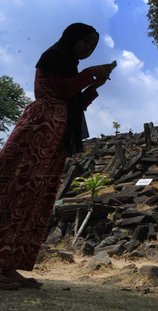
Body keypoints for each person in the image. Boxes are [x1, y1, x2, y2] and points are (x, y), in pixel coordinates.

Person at [0, 23, 114, 290]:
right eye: (86, 43)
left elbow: (75, 104)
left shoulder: (71, 68)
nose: (88, 49)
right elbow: (59, 92)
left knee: (35, 200)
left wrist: (93, 85)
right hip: (38, 133)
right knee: (17, 192)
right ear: (71, 38)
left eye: (93, 46)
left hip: (55, 141)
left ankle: (8, 264)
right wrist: (87, 74)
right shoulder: (54, 57)